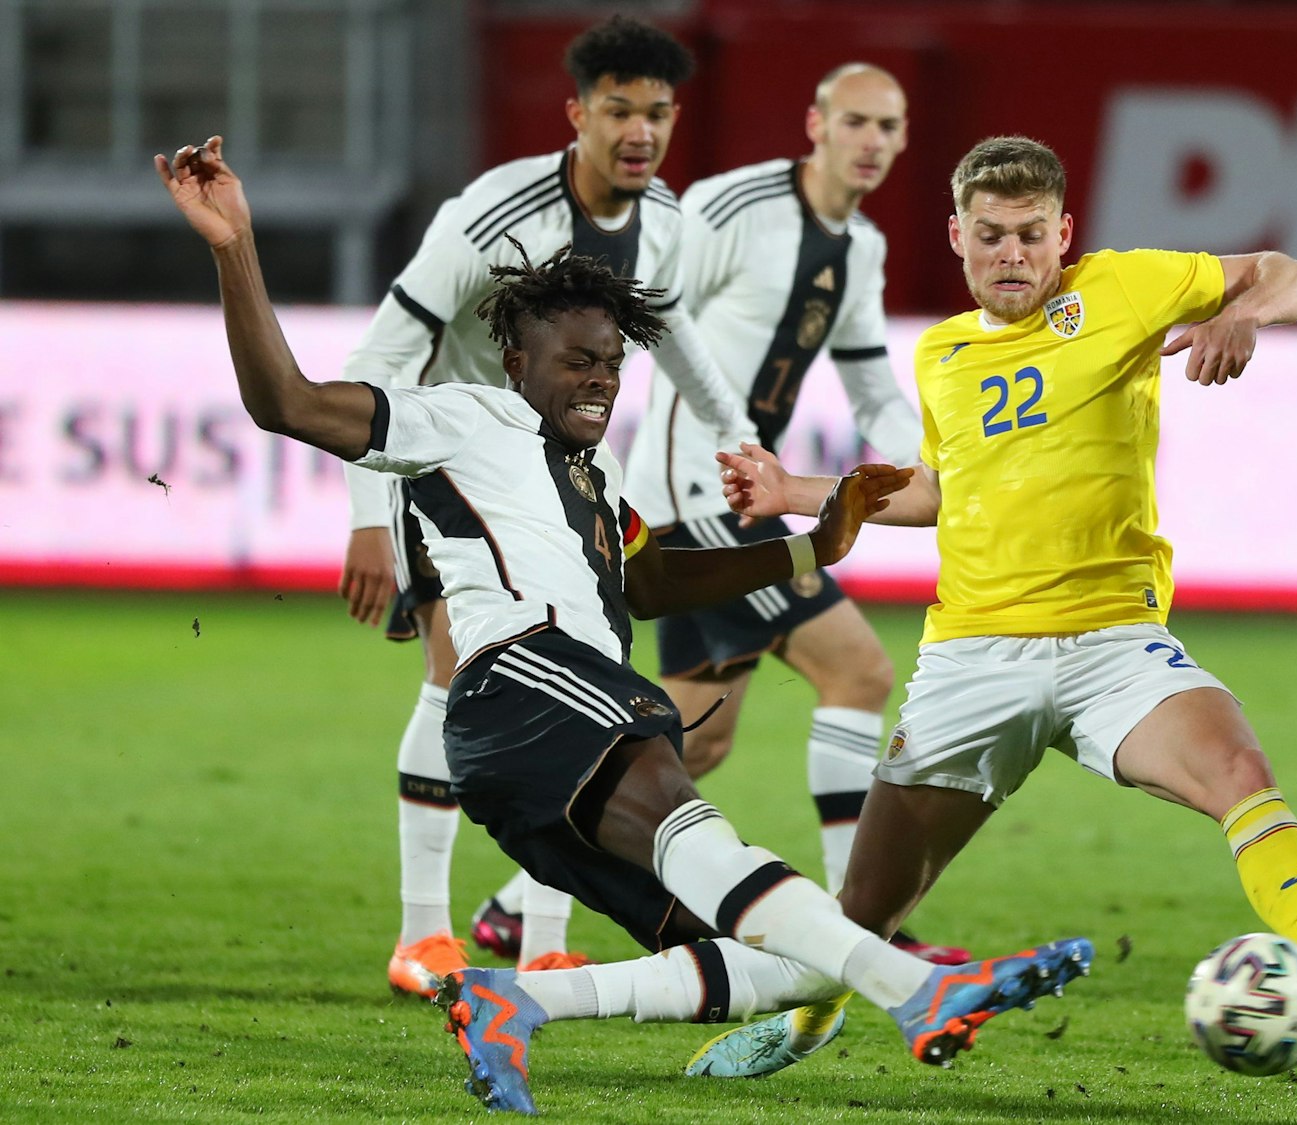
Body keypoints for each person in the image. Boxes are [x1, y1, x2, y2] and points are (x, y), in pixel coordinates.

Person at [159, 134, 1092, 1116]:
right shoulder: (471, 417)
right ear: (517, 359)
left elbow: (651, 582)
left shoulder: (593, 487)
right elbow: (288, 402)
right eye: (575, 362)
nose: (600, 380)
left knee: (761, 950)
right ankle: (922, 994)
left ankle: (514, 999)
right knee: (717, 851)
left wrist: (818, 544)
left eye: (610, 363)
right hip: (526, 681)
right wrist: (234, 248)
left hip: (537, 748)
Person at [684, 136, 1297, 1079]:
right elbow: (944, 487)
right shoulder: (945, 354)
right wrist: (793, 491)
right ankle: (803, 1022)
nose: (1012, 255)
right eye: (990, 236)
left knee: (1236, 765)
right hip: (972, 659)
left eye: (1031, 234)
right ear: (956, 236)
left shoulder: (1123, 287)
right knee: (865, 909)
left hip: (1114, 638)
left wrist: (1242, 311)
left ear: (1063, 232)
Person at [337, 15, 764, 996]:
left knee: (591, 682)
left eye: (656, 112)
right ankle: (421, 935)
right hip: (457, 470)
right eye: (618, 108)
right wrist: (366, 516)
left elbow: (678, 336)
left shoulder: (664, 220)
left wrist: (739, 440)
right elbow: (378, 363)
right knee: (455, 678)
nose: (639, 130)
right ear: (576, 113)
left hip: (571, 483)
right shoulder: (492, 214)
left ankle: (540, 945)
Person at [621, 64, 963, 964]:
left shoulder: (861, 245)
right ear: (814, 121)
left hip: (746, 495)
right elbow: (647, 309)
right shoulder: (734, 205)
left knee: (697, 737)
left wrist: (919, 460)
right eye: (855, 121)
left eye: (889, 127)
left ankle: (518, 896)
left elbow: (867, 377)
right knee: (857, 669)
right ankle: (859, 922)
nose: (873, 142)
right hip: (695, 498)